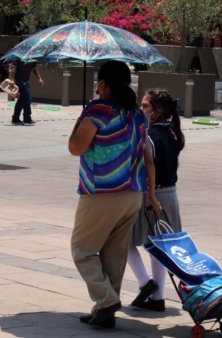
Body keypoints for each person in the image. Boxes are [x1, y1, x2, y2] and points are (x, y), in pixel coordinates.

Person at [69, 60, 161, 329]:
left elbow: (76, 147)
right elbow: (147, 156)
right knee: (113, 253)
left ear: (102, 84)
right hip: (132, 192)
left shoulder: (98, 110)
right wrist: (151, 194)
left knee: (82, 250)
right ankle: (104, 309)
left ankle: (107, 300)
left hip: (101, 191)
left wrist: (82, 117)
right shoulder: (137, 113)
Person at [127, 89, 185, 312]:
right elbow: (176, 164)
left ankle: (145, 283)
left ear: (157, 112)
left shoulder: (150, 136)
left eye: (145, 106)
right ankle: (158, 297)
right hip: (171, 193)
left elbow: (148, 164)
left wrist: (150, 194)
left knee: (123, 240)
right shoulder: (173, 133)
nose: (141, 110)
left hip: (153, 194)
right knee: (159, 246)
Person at [7, 60, 44, 125]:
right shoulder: (18, 57)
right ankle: (24, 117)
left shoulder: (32, 58)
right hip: (18, 80)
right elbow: (12, 68)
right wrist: (12, 79)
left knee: (22, 99)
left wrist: (39, 78)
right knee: (27, 98)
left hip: (25, 80)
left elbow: (34, 69)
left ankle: (19, 118)